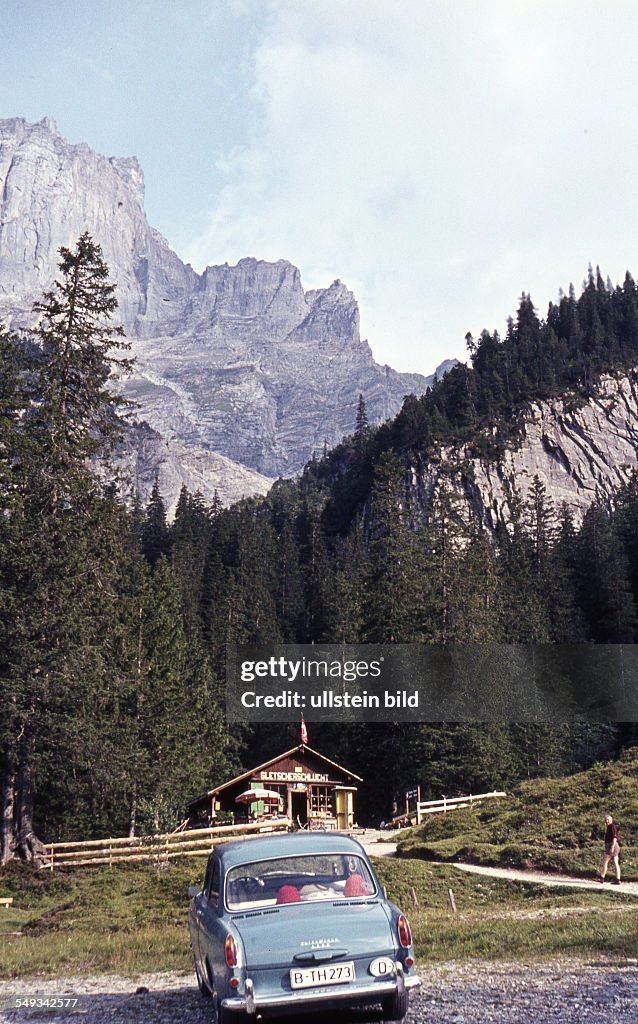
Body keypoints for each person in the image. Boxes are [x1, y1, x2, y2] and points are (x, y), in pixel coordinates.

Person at [598, 814, 621, 883]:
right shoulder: (609, 827)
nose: (606, 821)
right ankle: (618, 879)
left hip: (612, 845)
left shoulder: (612, 827)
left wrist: (612, 847)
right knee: (615, 863)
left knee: (604, 862)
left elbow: (615, 837)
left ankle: (602, 878)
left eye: (608, 820)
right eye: (605, 820)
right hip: (612, 846)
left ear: (611, 820)